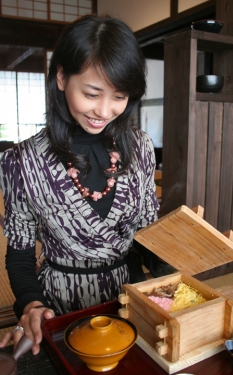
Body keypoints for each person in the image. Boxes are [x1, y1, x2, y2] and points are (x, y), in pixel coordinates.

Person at [0, 14, 172, 355]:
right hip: (62, 309)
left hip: (130, 301)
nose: (104, 111)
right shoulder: (23, 162)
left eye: (119, 96)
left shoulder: (139, 148)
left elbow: (148, 236)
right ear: (62, 76)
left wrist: (170, 267)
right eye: (92, 93)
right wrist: (31, 306)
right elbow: (19, 255)